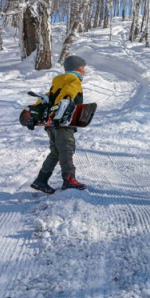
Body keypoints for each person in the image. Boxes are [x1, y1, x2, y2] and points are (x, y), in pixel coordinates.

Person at [29, 55, 89, 194]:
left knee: (55, 152)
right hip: (62, 122)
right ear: (77, 68)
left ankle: (41, 180)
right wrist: (59, 113)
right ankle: (69, 180)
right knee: (66, 150)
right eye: (83, 68)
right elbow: (66, 97)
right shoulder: (74, 80)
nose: (84, 71)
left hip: (51, 123)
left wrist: (33, 114)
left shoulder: (58, 82)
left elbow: (45, 98)